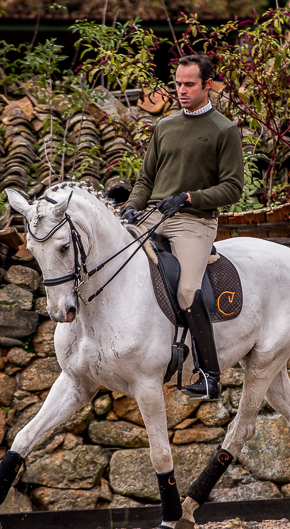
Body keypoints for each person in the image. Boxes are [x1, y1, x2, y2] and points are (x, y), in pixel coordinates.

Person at [121, 53, 244, 400]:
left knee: (188, 291)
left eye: (189, 84)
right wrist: (132, 206)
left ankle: (210, 375)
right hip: (155, 216)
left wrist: (189, 198)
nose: (181, 90)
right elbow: (146, 179)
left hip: (194, 222)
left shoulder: (224, 130)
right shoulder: (165, 126)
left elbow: (233, 188)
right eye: (177, 84)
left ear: (208, 85)